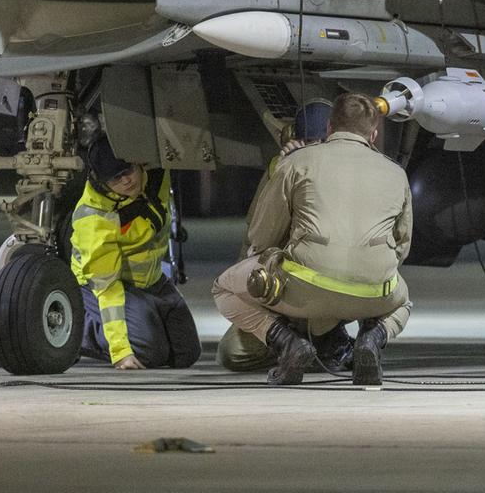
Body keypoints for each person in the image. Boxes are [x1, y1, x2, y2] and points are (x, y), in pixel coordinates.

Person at [213, 92, 412, 386]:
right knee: (403, 303)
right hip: (371, 295)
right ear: (373, 133)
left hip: (302, 289)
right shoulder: (396, 173)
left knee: (222, 289)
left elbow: (260, 238)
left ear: (330, 128)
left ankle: (288, 343)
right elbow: (402, 246)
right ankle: (371, 338)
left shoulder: (296, 163)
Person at [214, 100, 352, 373]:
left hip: (335, 288)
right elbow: (257, 240)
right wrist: (283, 173)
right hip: (286, 290)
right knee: (233, 353)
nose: (314, 149)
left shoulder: (354, 173)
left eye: (321, 142)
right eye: (308, 142)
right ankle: (301, 345)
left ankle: (329, 338)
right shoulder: (284, 169)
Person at [69, 142, 201, 370]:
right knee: (148, 353)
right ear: (103, 183)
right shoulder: (95, 218)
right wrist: (120, 352)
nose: (126, 181)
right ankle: (78, 330)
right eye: (115, 179)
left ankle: (144, 319)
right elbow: (107, 288)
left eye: (128, 171)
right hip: (104, 285)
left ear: (139, 164)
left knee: (186, 354)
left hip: (151, 280)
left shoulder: (155, 179)